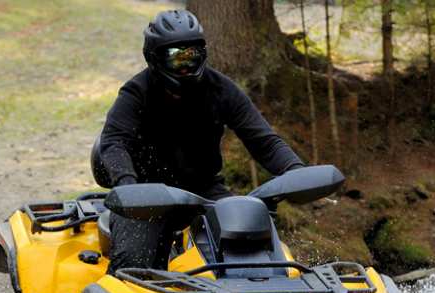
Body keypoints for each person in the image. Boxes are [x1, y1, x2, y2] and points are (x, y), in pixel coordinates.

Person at [95, 9, 304, 273]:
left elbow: (264, 140)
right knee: (132, 266)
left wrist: (295, 171)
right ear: (154, 57)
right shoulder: (136, 92)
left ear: (202, 53)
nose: (185, 65)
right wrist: (127, 184)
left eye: (191, 56)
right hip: (146, 195)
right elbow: (114, 141)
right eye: (176, 57)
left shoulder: (221, 88)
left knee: (250, 249)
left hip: (204, 190)